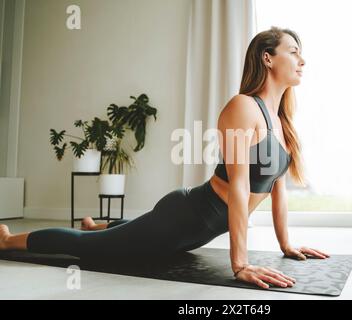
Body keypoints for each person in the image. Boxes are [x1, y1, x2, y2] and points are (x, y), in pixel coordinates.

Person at [0, 26, 330, 290]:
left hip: (195, 231)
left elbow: (278, 189)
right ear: (268, 58)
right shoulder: (244, 107)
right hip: (185, 217)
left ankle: (100, 224)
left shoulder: (283, 123)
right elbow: (241, 188)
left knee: (134, 235)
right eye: (294, 51)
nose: (302, 60)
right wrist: (240, 265)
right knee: (90, 247)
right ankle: (9, 240)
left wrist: (287, 245)